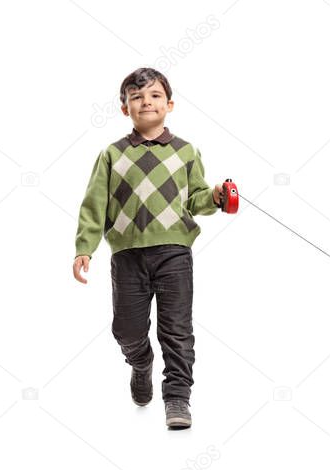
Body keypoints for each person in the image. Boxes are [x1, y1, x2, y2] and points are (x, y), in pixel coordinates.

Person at [73, 67, 225, 430]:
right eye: (136, 96)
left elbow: (197, 198)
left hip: (173, 252)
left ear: (169, 104)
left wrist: (216, 196)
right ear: (125, 108)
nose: (146, 102)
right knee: (126, 329)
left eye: (155, 95)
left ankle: (177, 398)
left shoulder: (186, 152)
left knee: (176, 329)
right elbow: (94, 205)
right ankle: (140, 363)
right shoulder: (111, 155)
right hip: (127, 255)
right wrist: (85, 247)